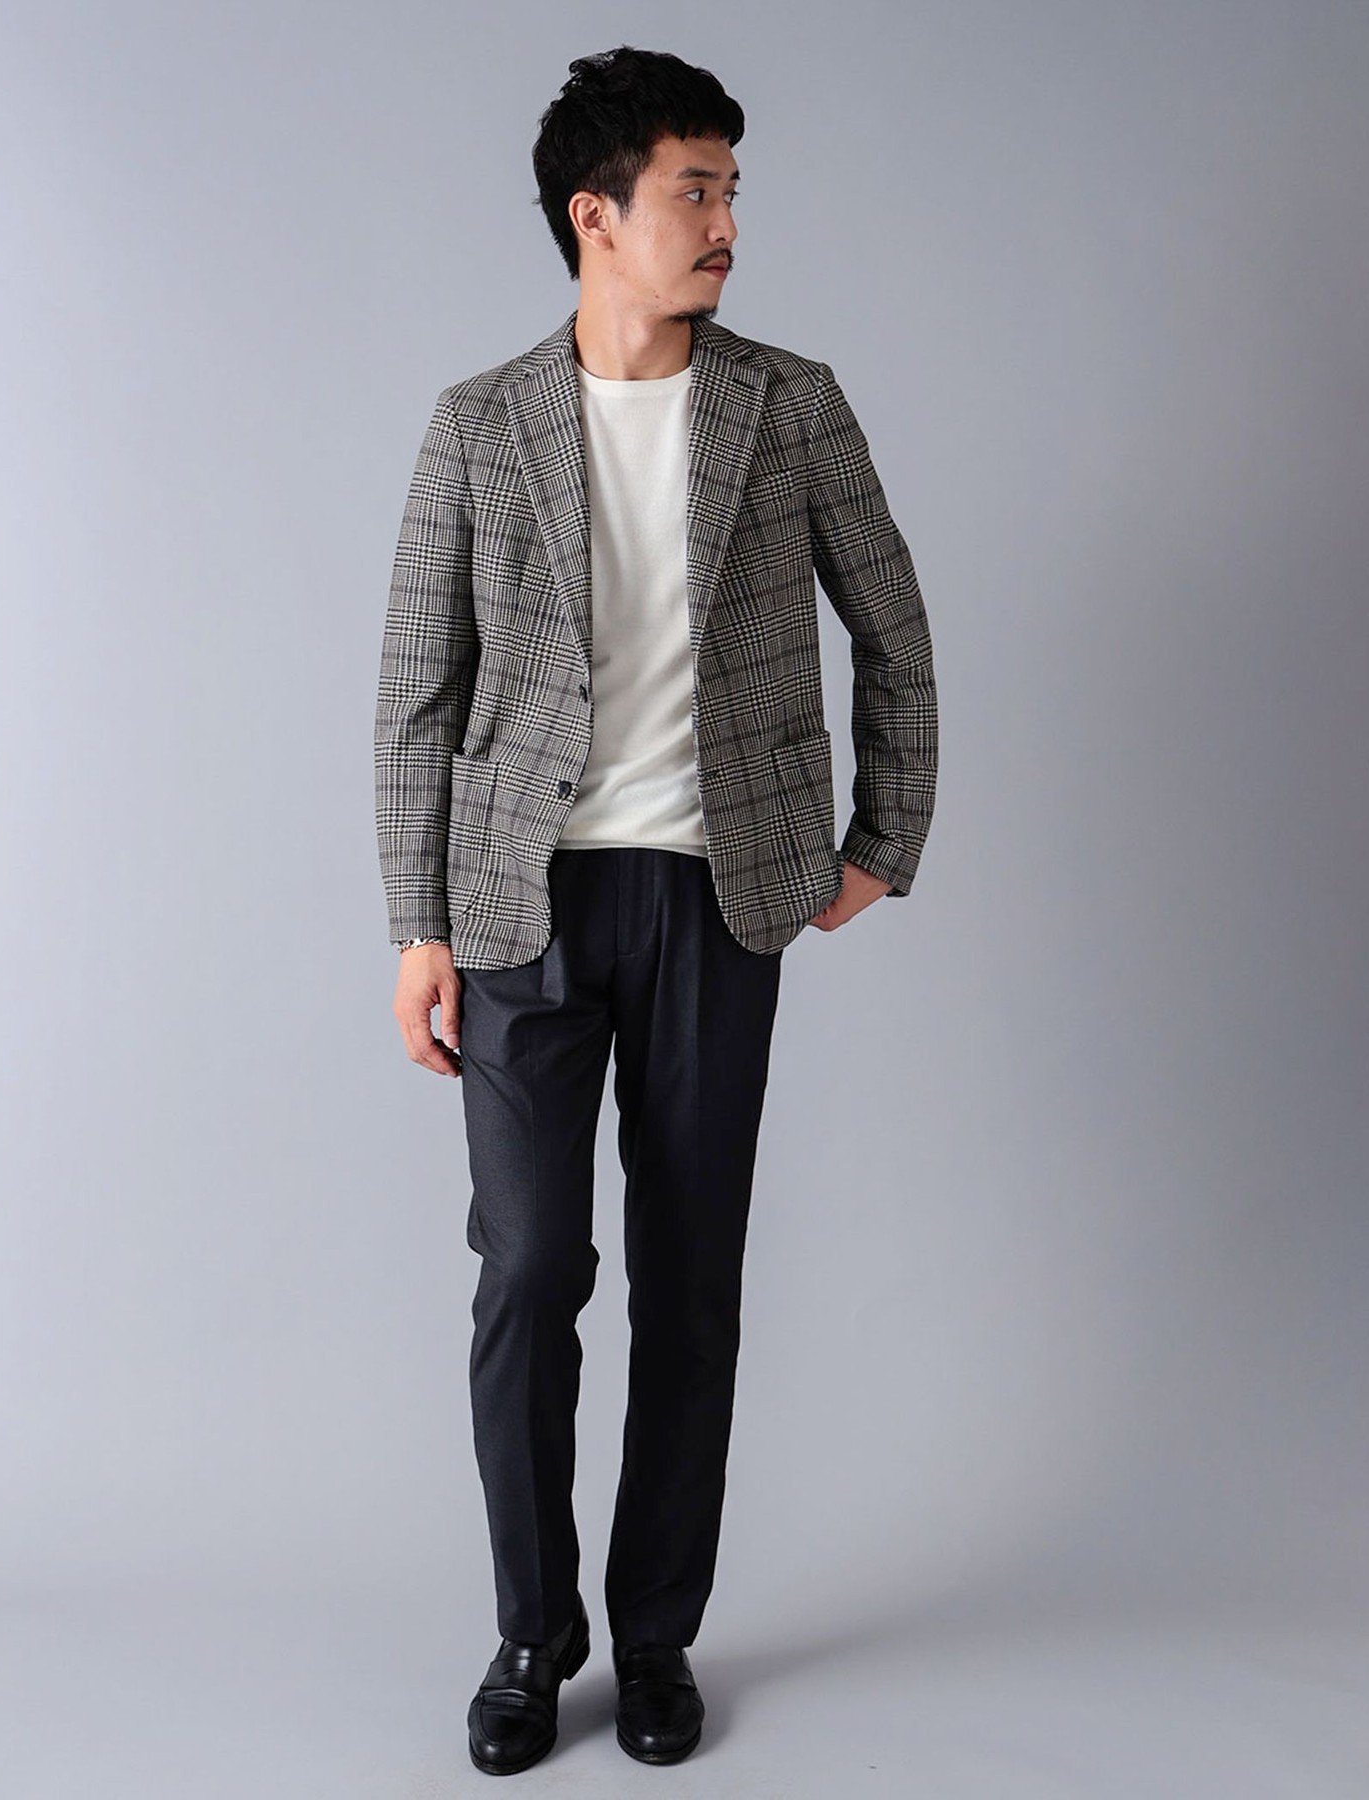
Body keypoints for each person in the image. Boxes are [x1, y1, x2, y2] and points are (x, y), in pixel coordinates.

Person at [373, 44, 938, 1776]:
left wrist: (882, 839)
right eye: (697, 190)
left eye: (732, 190)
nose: (727, 223)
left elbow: (894, 632)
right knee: (532, 1269)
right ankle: (530, 1635)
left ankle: (655, 1636)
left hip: (717, 894)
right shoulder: (480, 423)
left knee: (692, 1281)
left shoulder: (793, 404)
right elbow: (417, 692)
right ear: (596, 216)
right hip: (520, 905)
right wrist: (417, 925)